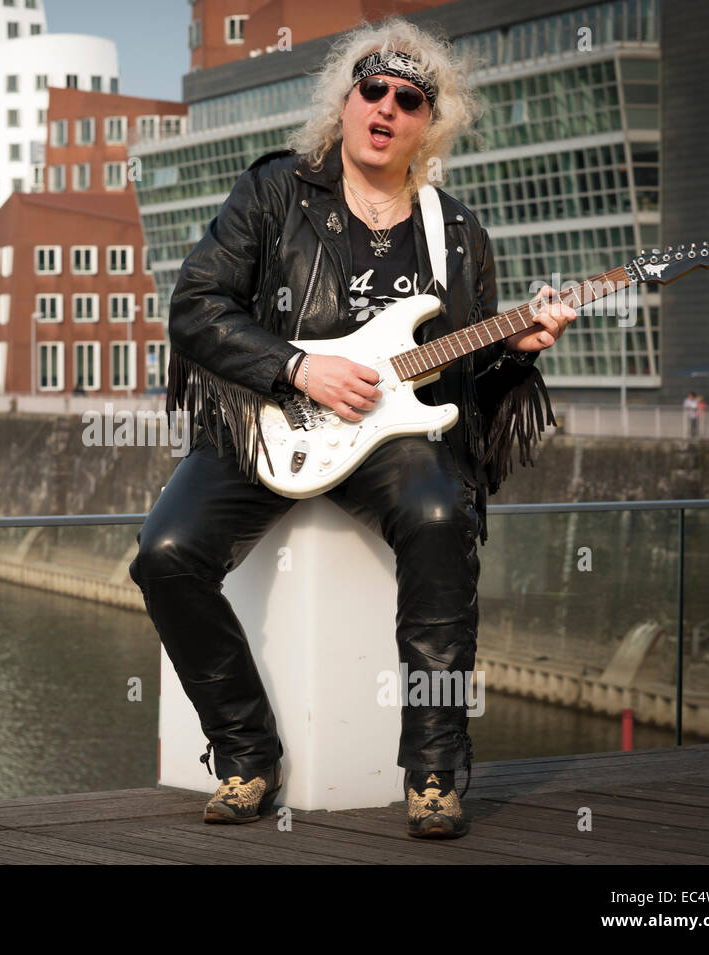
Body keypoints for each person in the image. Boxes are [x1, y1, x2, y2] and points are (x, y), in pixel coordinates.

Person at [128, 19, 570, 840]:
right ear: (345, 100)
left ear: (428, 123)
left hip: (390, 437)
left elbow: (464, 383)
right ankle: (245, 750)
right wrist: (296, 366)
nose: (388, 107)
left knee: (441, 519)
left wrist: (518, 352)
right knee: (165, 554)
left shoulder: (458, 234)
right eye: (374, 88)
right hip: (269, 417)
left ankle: (435, 770)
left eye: (411, 99)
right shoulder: (273, 193)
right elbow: (194, 307)